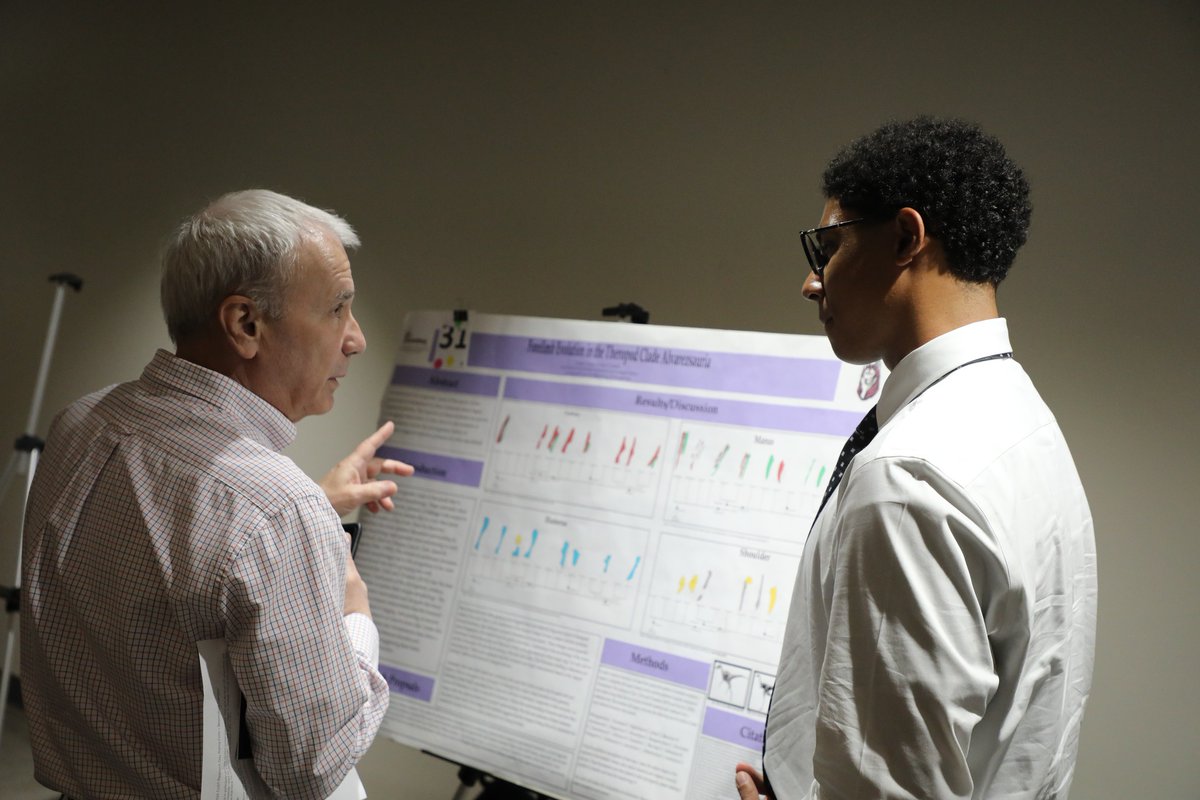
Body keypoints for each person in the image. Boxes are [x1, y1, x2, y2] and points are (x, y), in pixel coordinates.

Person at [736, 118, 1097, 799]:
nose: (812, 285)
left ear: (905, 237)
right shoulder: (1024, 420)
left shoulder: (905, 479)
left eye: (831, 247)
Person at [21, 189, 413, 799]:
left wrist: (310, 509)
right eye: (338, 309)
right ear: (246, 324)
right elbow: (310, 771)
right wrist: (352, 611)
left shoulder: (81, 423)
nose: (356, 339)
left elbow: (173, 558)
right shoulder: (275, 513)